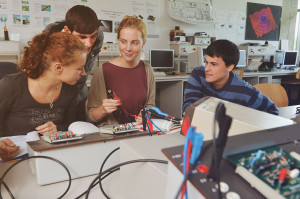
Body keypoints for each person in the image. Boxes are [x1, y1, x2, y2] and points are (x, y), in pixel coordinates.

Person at [0, 31, 87, 137]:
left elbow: (71, 124)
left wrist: (57, 128)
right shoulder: (11, 85)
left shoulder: (70, 88)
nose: (84, 73)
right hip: (14, 150)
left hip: (50, 148)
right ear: (58, 67)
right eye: (79, 68)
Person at [87, 16, 155, 126]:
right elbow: (90, 116)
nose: (128, 48)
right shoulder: (103, 71)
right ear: (118, 40)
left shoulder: (148, 70)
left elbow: (151, 106)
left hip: (139, 132)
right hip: (113, 135)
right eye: (123, 42)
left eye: (135, 43)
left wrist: (147, 113)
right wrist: (102, 110)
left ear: (143, 43)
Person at [183, 39, 279, 115]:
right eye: (206, 62)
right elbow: (189, 109)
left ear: (230, 67)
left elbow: (272, 110)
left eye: (213, 64)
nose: (207, 69)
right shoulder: (198, 75)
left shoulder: (243, 90)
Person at [44, 5, 104, 121]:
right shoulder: (50, 35)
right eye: (82, 37)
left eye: (92, 37)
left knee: (80, 127)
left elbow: (86, 67)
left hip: (79, 91)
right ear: (67, 31)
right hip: (55, 95)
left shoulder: (98, 36)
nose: (89, 44)